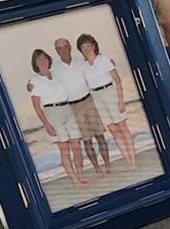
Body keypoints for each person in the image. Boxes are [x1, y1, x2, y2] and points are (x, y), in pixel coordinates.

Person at [29, 39, 110, 177]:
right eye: (59, 48)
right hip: (72, 107)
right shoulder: (54, 68)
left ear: (70, 47)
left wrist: (109, 62)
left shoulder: (80, 61)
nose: (62, 50)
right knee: (86, 140)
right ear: (56, 51)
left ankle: (108, 165)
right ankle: (97, 168)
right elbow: (41, 78)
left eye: (65, 47)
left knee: (100, 135)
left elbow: (94, 64)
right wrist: (29, 85)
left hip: (88, 100)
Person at [28, 49, 88, 188]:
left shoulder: (56, 74)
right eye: (39, 60)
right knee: (64, 149)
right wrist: (47, 125)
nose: (42, 61)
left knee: (77, 146)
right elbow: (37, 107)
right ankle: (74, 180)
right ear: (35, 64)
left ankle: (80, 175)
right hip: (52, 113)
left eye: (44, 58)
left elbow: (76, 68)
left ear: (48, 59)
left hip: (67, 109)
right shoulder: (34, 81)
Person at [77, 33, 137, 169]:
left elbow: (118, 80)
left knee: (122, 127)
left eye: (88, 45)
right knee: (113, 130)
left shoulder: (103, 59)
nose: (86, 49)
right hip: (96, 97)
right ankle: (127, 160)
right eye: (82, 47)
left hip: (110, 93)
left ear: (93, 45)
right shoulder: (83, 66)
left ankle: (133, 160)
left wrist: (121, 101)